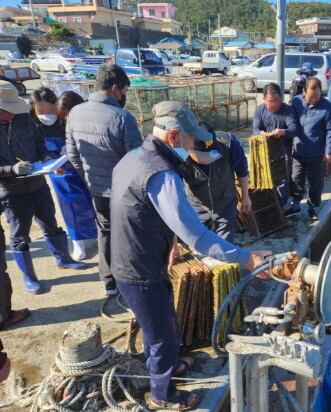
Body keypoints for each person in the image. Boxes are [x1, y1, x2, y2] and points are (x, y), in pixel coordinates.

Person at [110, 101, 270, 411]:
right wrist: (246, 257)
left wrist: (168, 242)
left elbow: (143, 209)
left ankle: (168, 364)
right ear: (172, 137)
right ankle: (162, 394)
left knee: (165, 320)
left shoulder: (132, 157)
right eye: (190, 140)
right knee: (161, 334)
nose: (194, 145)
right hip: (138, 266)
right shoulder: (163, 175)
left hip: (131, 253)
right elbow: (194, 234)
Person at [0, 81, 87, 295]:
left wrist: (49, 160)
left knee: (50, 222)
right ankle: (29, 277)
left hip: (38, 183)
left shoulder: (22, 119)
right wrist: (12, 169)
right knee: (20, 236)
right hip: (12, 191)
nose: (14, 113)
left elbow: (40, 145)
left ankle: (63, 259)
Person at [66, 63, 142, 295]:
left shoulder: (75, 112)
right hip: (124, 192)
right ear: (115, 89)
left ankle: (109, 282)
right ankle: (129, 282)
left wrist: (89, 179)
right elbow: (136, 160)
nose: (124, 97)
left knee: (106, 233)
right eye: (125, 92)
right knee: (129, 234)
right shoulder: (122, 117)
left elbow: (72, 154)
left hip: (97, 190)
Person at [29, 88, 97, 261]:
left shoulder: (67, 118)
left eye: (50, 111)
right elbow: (34, 148)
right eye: (40, 112)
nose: (46, 116)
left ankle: (97, 235)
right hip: (58, 170)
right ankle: (77, 242)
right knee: (69, 204)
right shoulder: (32, 124)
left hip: (82, 165)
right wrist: (48, 161)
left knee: (93, 201)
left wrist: (70, 148)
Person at [177, 119, 250, 242]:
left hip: (225, 200)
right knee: (200, 242)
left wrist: (245, 196)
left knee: (225, 243)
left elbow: (242, 170)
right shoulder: (178, 152)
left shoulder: (228, 143)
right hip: (197, 204)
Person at [287, 77, 331, 221]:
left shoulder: (326, 106)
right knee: (296, 178)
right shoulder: (296, 101)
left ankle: (312, 207)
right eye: (311, 96)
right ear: (304, 91)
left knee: (315, 181)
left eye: (317, 96)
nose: (314, 99)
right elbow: (289, 120)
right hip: (298, 149)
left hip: (316, 152)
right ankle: (296, 205)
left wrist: (329, 152)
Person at [252, 82, 299, 206]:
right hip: (265, 151)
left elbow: (294, 129)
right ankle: (268, 202)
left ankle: (281, 205)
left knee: (282, 178)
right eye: (270, 101)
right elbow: (255, 129)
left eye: (277, 100)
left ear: (281, 98)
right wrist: (261, 133)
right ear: (264, 99)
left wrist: (283, 132)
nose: (273, 104)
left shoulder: (287, 110)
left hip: (283, 151)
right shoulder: (259, 110)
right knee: (265, 178)